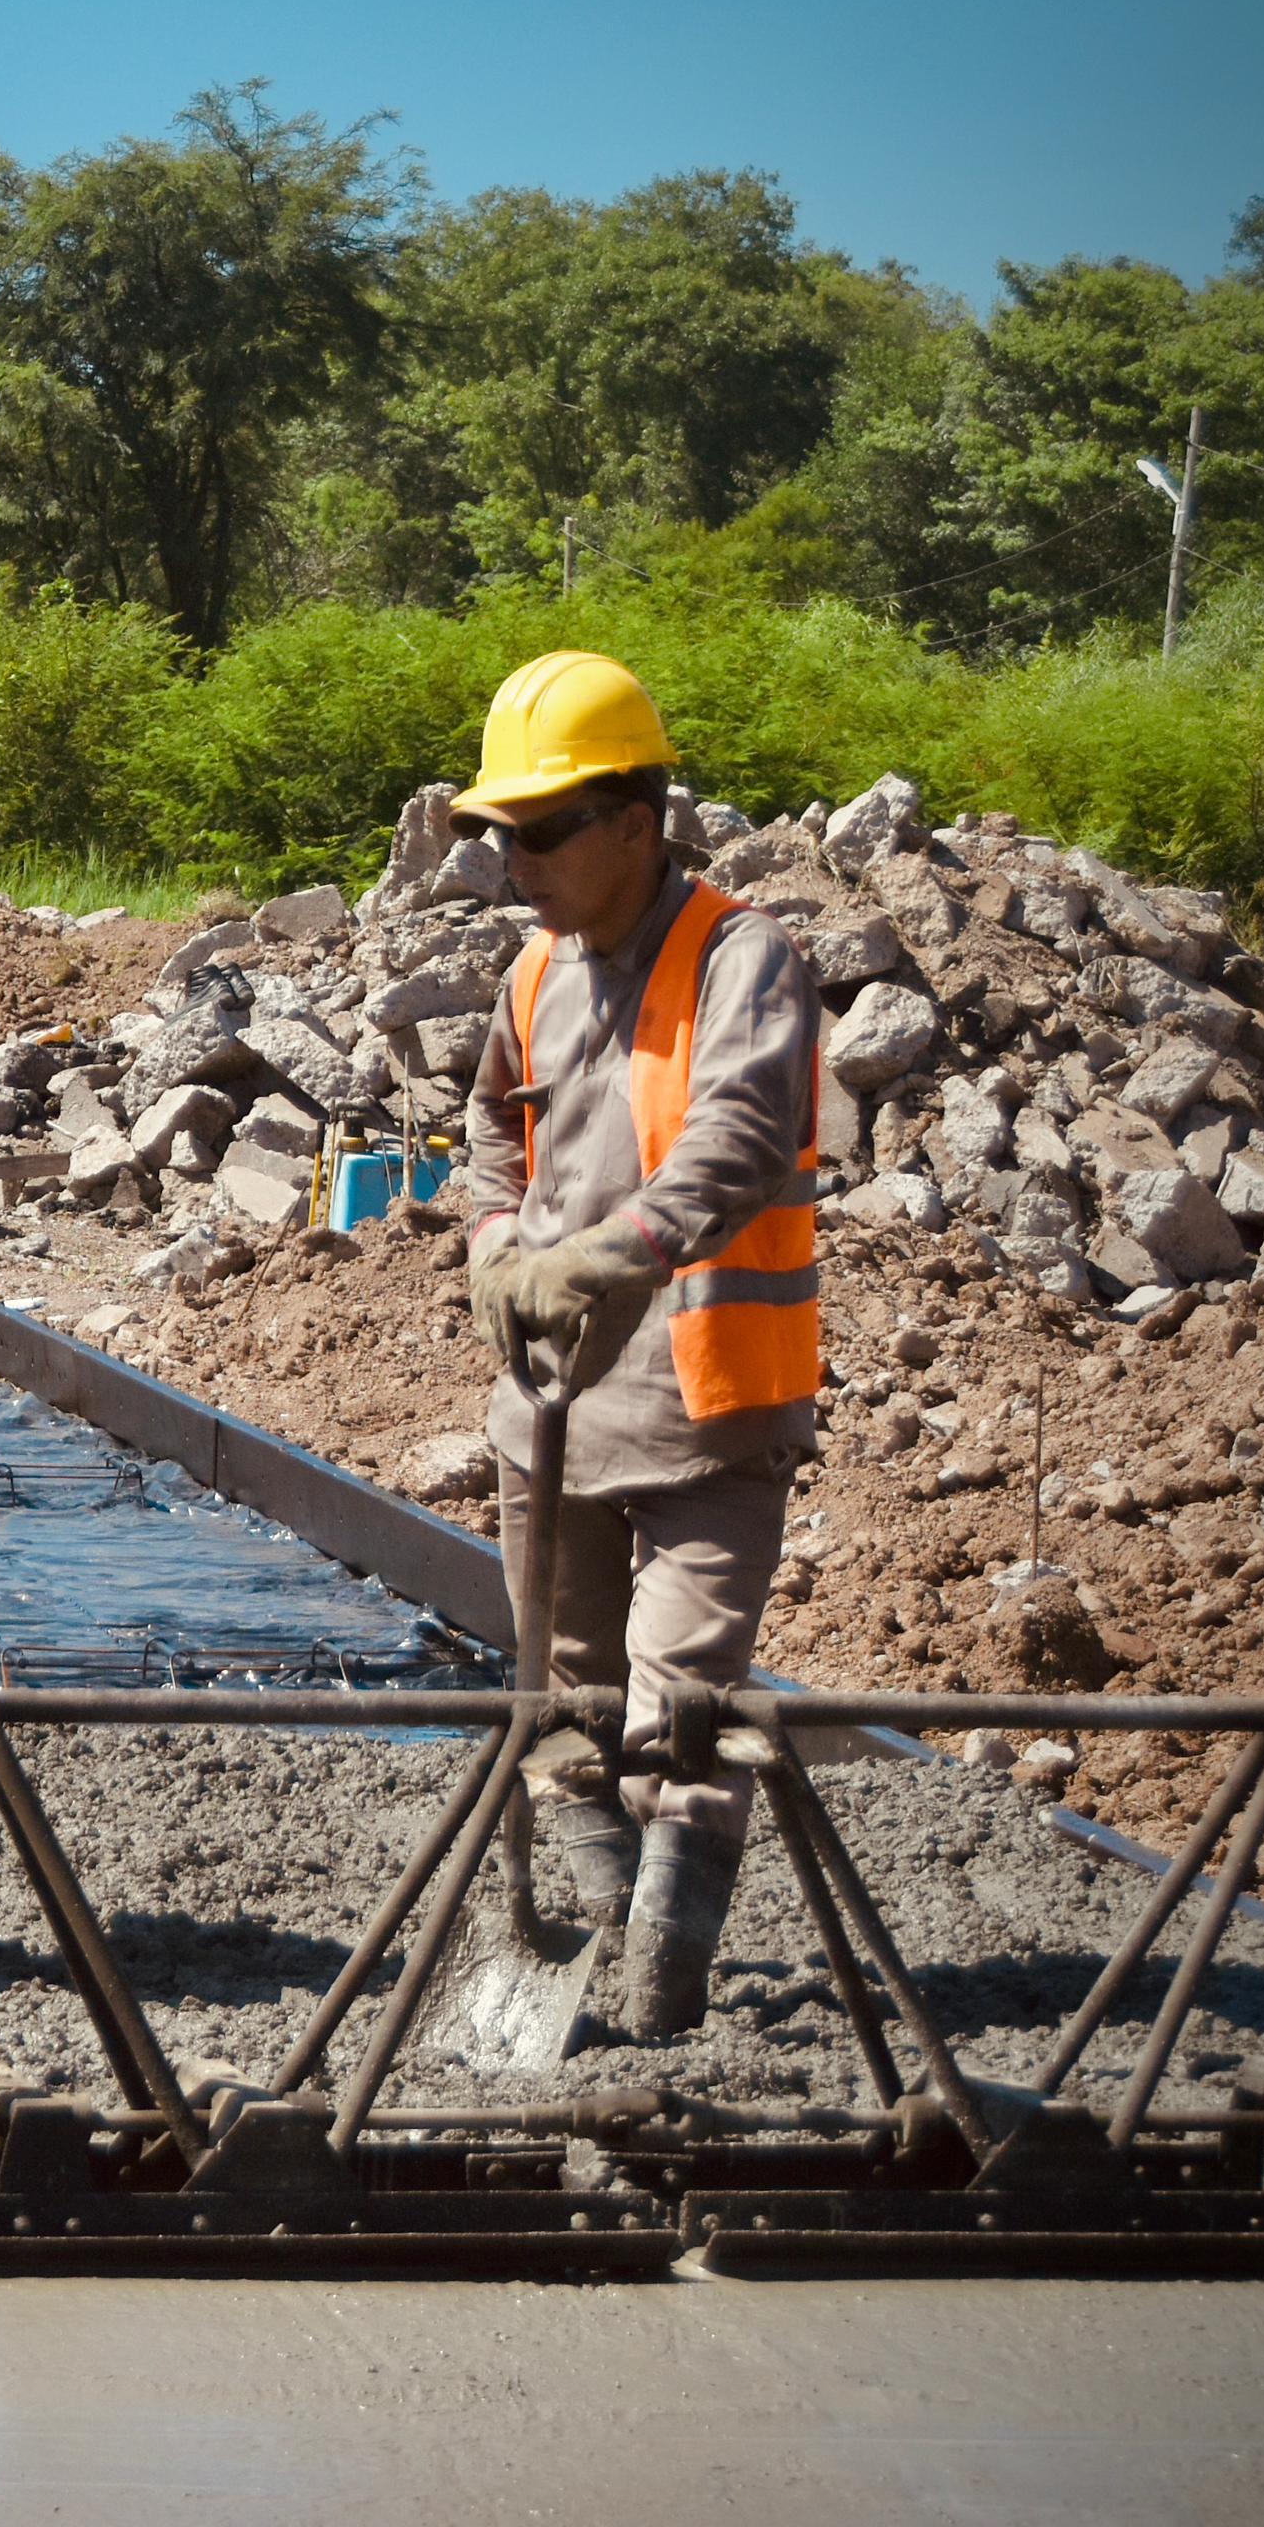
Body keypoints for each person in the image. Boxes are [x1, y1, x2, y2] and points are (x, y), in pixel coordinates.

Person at [455, 649, 820, 2044]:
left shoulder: (742, 956)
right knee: (562, 1710)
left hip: (708, 1410)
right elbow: (496, 1124)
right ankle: (590, 1927)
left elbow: (745, 1127)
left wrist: (624, 1248)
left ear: (636, 818)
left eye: (542, 830)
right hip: (549, 1414)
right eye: (499, 831)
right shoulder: (536, 969)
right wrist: (497, 1238)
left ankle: (665, 1983)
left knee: (685, 1716)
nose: (512, 859)